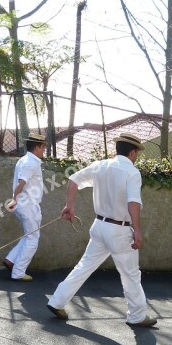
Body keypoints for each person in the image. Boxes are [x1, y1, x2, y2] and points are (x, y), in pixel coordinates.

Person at [46, 133, 157, 327]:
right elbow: (133, 202)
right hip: (120, 231)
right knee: (130, 274)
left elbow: (73, 180)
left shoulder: (101, 165)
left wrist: (69, 206)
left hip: (99, 226)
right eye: (136, 153)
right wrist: (137, 230)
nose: (136, 156)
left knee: (84, 266)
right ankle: (137, 316)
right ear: (132, 152)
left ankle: (57, 301)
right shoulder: (131, 172)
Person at [4, 133, 48, 281]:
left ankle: (11, 260)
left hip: (24, 205)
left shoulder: (25, 160)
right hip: (28, 206)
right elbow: (21, 183)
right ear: (37, 147)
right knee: (32, 240)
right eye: (43, 147)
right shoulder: (31, 163)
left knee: (28, 236)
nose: (44, 150)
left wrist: (15, 201)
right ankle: (18, 273)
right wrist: (14, 200)